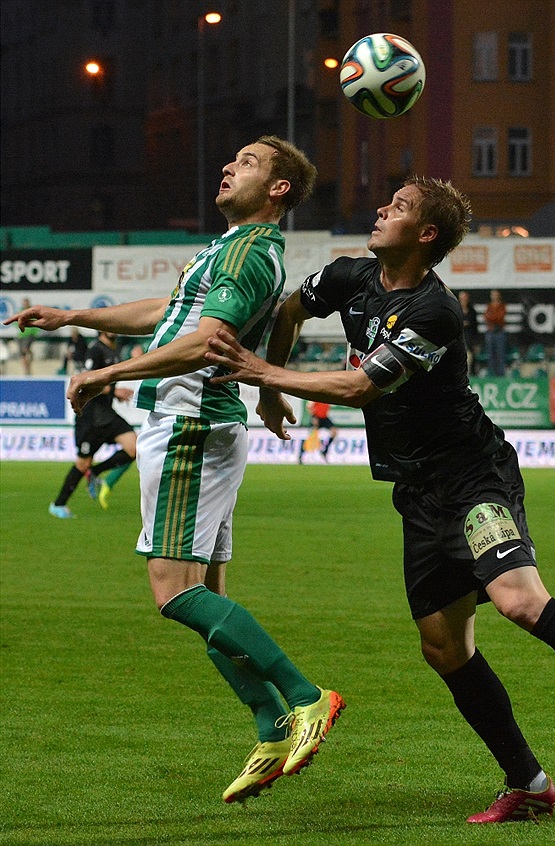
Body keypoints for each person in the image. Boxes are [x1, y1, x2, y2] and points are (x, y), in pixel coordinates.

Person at [205, 175, 555, 824]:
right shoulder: (351, 278)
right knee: (445, 649)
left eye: (398, 207)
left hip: (473, 479)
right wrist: (270, 390)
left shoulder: (434, 310)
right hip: (419, 492)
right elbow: (290, 310)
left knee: (518, 599)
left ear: (425, 234)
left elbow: (361, 388)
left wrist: (264, 371)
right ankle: (529, 783)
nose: (381, 208)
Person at [4, 136, 344, 804]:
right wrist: (72, 313)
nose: (228, 166)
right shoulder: (230, 248)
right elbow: (168, 313)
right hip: (199, 422)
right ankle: (269, 724)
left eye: (248, 163)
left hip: (187, 421)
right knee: (207, 589)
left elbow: (207, 339)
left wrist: (110, 372)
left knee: (171, 590)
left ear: (279, 189)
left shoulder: (250, 251)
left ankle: (306, 697)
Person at [47, 330, 137, 518]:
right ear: (101, 329)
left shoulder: (114, 350)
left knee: (134, 448)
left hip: (107, 415)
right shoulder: (95, 350)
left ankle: (95, 472)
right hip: (91, 418)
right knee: (82, 463)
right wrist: (114, 392)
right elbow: (87, 381)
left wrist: (113, 394)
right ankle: (58, 504)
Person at [483, 289, 507, 377]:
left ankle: (500, 375)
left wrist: (491, 317)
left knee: (500, 354)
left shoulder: (502, 306)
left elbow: (500, 317)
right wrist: (492, 317)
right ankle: (491, 374)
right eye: (493, 295)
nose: (494, 297)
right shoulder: (489, 306)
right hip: (490, 332)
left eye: (496, 295)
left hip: (499, 332)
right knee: (490, 354)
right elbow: (485, 316)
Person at [457, 290, 478, 374]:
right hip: (458, 339)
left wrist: (476, 342)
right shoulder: (455, 309)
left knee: (469, 358)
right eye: (462, 298)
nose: (463, 300)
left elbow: (475, 326)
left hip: (469, 339)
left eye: (465, 298)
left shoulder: (472, 311)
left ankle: (469, 374)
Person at [17, 297, 40, 375]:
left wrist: (34, 332)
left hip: (29, 334)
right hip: (21, 335)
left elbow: (36, 322)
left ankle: (30, 360)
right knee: (22, 355)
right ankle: (26, 370)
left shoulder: (32, 312)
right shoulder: (20, 311)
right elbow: (16, 322)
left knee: (25, 349)